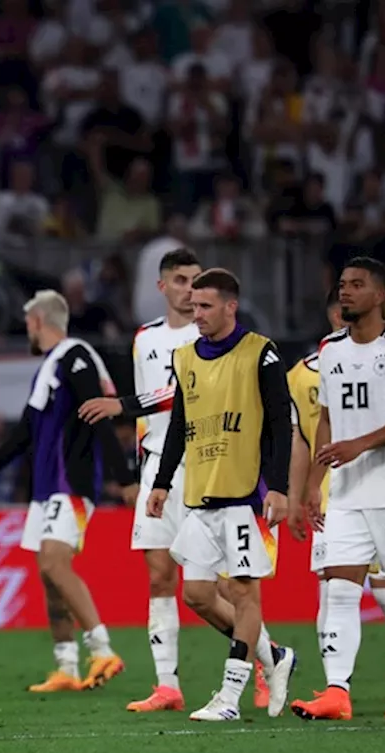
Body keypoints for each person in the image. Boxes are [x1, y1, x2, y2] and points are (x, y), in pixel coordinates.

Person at [0, 289, 134, 693]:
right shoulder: (49, 366)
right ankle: (66, 666)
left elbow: (99, 414)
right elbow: (24, 434)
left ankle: (102, 650)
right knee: (48, 576)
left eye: (28, 323)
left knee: (54, 563)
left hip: (71, 481)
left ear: (37, 322)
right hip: (46, 487)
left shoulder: (75, 355)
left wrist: (125, 477)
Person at [142, 268, 299, 722]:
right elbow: (178, 424)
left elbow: (278, 426)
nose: (197, 315)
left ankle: (230, 697)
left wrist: (281, 488)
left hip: (247, 496)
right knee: (197, 595)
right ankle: (273, 655)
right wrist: (162, 481)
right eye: (193, 307)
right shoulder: (186, 357)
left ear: (231, 306)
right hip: (201, 495)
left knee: (245, 594)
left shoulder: (261, 353)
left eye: (206, 306)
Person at [292, 257, 385, 721]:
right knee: (339, 591)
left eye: (357, 285)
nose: (346, 292)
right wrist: (316, 483)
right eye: (342, 284)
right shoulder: (330, 348)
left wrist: (360, 444)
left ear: (380, 295)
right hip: (348, 496)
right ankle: (337, 691)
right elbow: (327, 420)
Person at [75, 248, 201, 712]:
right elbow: (151, 412)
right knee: (159, 575)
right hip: (156, 465)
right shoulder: (145, 338)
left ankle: (267, 661)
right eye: (182, 279)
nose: (191, 289)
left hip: (205, 462)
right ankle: (167, 685)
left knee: (222, 584)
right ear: (162, 286)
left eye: (196, 279)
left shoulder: (212, 337)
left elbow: (187, 392)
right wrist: (137, 468)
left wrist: (123, 404)